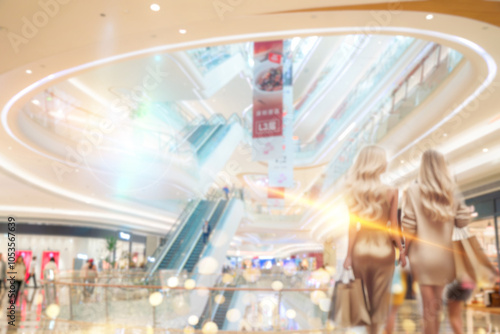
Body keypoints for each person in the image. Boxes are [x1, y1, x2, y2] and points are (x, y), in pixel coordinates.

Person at [402, 149, 471, 334]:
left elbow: (408, 225)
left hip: (422, 256)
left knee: (428, 310)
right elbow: (462, 220)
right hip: (444, 256)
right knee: (437, 306)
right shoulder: (450, 189)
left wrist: (403, 252)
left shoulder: (413, 190)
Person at [343, 145, 405, 334]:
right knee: (379, 303)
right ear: (378, 163)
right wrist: (401, 251)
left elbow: (353, 227)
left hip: (360, 249)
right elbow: (394, 226)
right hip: (383, 249)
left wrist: (348, 255)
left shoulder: (353, 191)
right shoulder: (392, 191)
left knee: (364, 300)